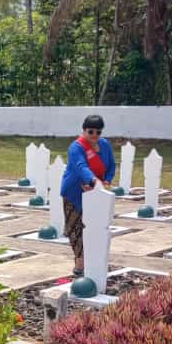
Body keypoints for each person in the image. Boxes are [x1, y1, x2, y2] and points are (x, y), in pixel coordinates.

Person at [61, 114, 116, 276]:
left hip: (97, 193)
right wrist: (93, 181)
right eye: (90, 131)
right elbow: (80, 166)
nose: (94, 135)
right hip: (75, 191)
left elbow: (111, 165)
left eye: (98, 132)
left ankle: (94, 260)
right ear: (84, 130)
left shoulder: (105, 145)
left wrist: (106, 181)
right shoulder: (76, 147)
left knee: (94, 227)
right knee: (74, 228)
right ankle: (80, 261)